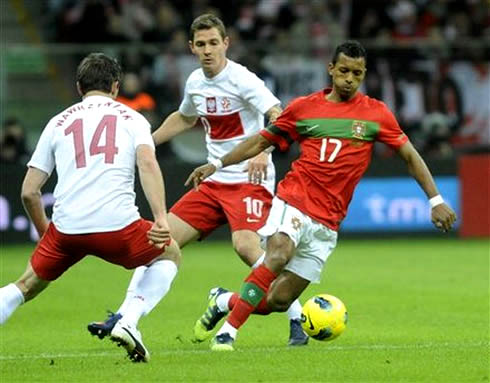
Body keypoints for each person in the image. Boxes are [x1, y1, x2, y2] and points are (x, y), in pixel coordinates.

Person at [185, 40, 458, 351]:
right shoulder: (304, 108)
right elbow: (260, 142)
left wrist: (435, 201)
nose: (349, 78)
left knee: (278, 299)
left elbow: (410, 156)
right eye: (343, 70)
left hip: (328, 221)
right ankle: (228, 334)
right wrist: (216, 163)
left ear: (364, 74)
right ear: (331, 69)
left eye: (356, 73)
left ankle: (223, 301)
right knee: (277, 255)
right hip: (294, 199)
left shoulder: (376, 114)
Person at [87, 14, 308, 346]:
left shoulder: (243, 79)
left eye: (213, 43)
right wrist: (147, 140)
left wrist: (264, 150)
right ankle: (124, 317)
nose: (208, 51)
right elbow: (185, 117)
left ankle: (297, 319)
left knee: (247, 246)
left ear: (226, 44)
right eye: (201, 44)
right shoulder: (195, 83)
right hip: (214, 179)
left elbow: (278, 113)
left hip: (250, 177)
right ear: (192, 47)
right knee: (156, 240)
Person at [0, 53, 180, 363]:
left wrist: (46, 233)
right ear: (115, 87)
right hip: (118, 228)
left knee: (27, 285)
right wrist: (161, 218)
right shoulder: (133, 118)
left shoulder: (57, 122)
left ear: (79, 86)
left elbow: (29, 192)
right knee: (170, 251)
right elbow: (147, 163)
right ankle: (129, 321)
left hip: (67, 230)